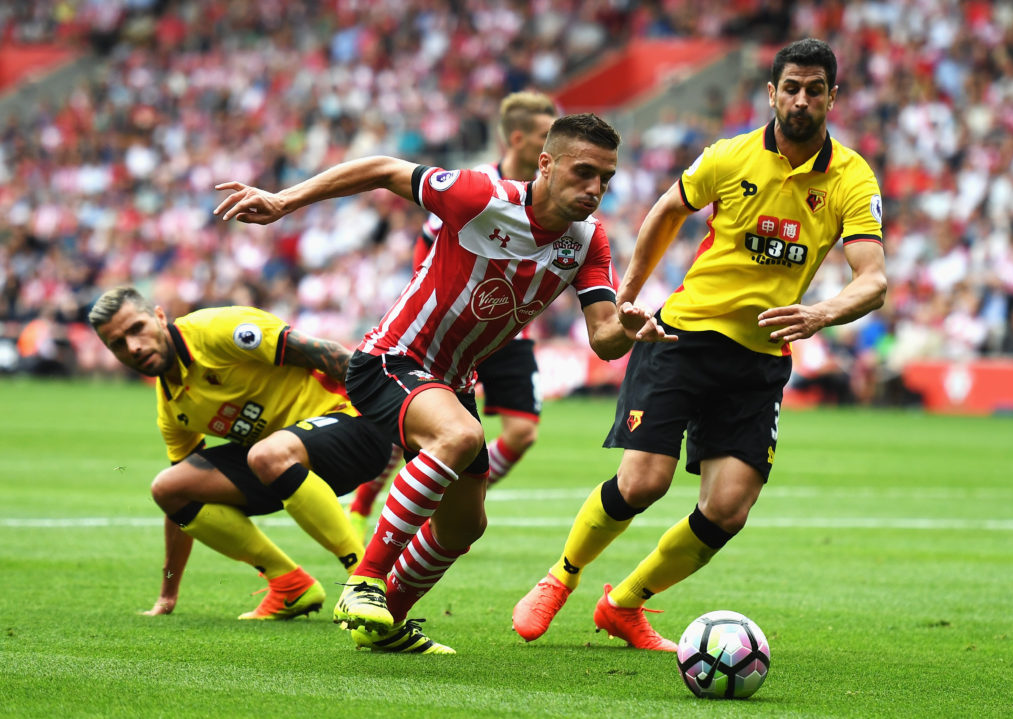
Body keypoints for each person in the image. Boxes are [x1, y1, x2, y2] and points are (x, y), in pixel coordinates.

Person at [214, 113, 674, 653]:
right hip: (391, 357)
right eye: (583, 172)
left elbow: (602, 338)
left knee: (462, 527)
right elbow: (384, 168)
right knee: (459, 437)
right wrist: (283, 202)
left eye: (606, 178)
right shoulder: (479, 195)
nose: (595, 189)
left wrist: (630, 329)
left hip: (452, 381)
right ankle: (364, 582)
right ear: (545, 164)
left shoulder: (587, 241)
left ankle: (386, 624)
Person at [513, 38, 888, 651]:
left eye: (814, 89)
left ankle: (624, 604)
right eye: (790, 88)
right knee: (642, 483)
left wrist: (821, 313)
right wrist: (628, 293)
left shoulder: (851, 176)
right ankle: (562, 576)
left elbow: (872, 278)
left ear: (832, 97)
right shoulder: (729, 156)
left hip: (759, 358)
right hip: (681, 336)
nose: (800, 99)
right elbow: (666, 211)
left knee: (728, 509)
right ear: (771, 93)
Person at [89, 288, 451, 652]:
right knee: (170, 487)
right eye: (117, 343)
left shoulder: (215, 330)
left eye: (137, 328)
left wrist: (402, 416)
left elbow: (327, 353)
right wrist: (168, 593)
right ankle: (289, 585)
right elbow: (179, 506)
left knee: (266, 454)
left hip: (355, 423)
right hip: (286, 460)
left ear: (160, 317)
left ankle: (365, 582)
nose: (133, 347)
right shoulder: (172, 408)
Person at [345, 91, 557, 538]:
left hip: (505, 334)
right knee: (417, 419)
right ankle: (366, 503)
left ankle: (448, 496)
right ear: (517, 140)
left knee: (522, 434)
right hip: (450, 325)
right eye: (544, 136)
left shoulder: (555, 201)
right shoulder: (475, 187)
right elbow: (428, 245)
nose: (551, 147)